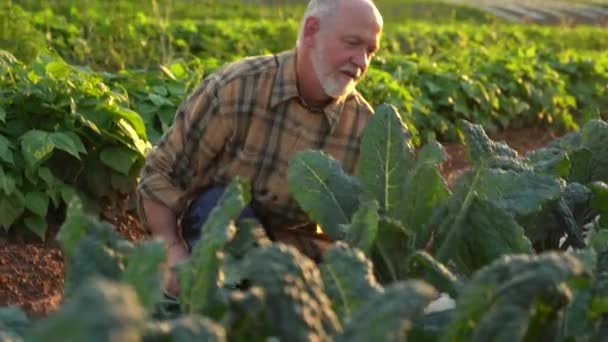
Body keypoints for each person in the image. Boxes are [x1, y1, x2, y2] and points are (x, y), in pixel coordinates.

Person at [137, 0, 383, 295]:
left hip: (294, 263)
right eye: (353, 43)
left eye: (370, 52)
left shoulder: (365, 128)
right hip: (217, 239)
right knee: (220, 203)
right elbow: (160, 175)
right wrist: (172, 250)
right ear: (311, 30)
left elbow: (362, 228)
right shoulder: (237, 88)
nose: (362, 62)